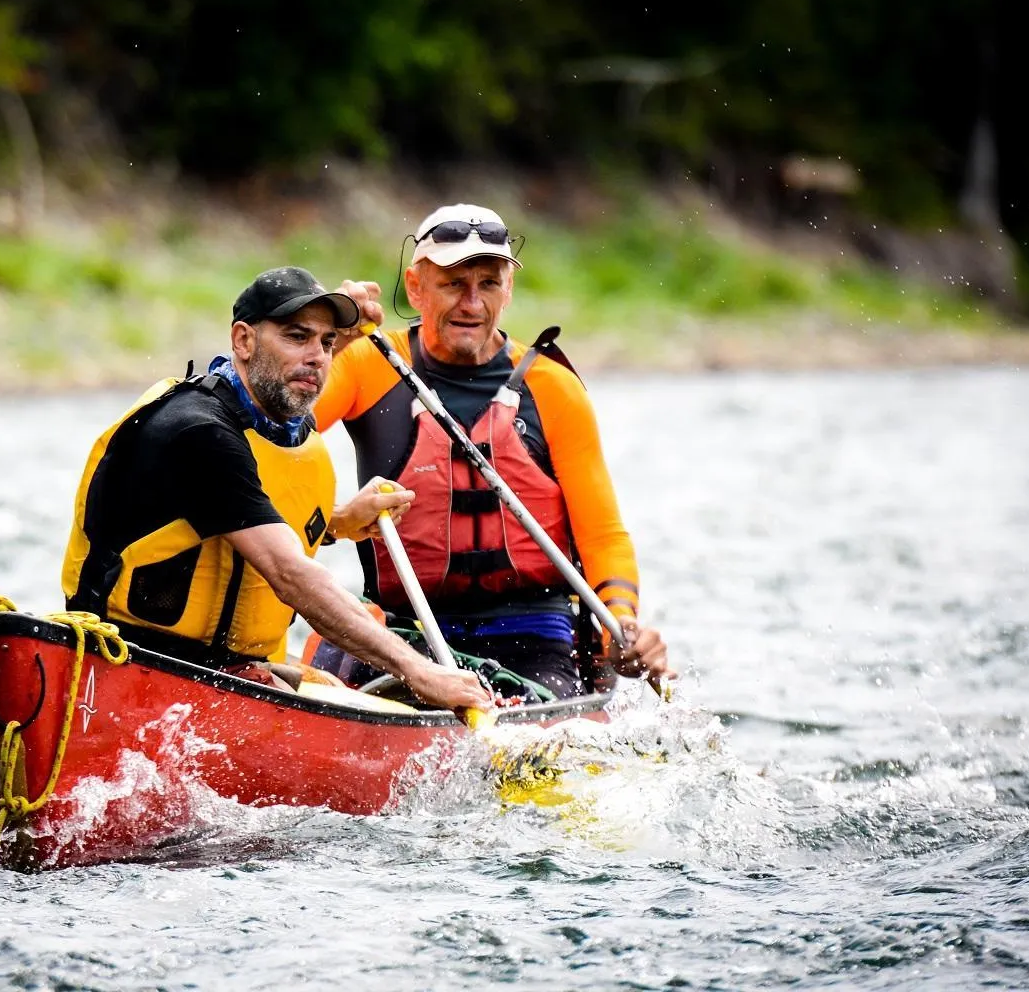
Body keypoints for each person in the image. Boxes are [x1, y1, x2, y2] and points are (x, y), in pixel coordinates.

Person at [60, 265, 491, 714]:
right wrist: (419, 671)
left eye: (327, 344)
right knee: (401, 687)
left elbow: (234, 516)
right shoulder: (197, 431)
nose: (319, 357)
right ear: (243, 341)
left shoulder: (277, 420)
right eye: (296, 336)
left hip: (226, 671)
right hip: (130, 666)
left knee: (361, 696)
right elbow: (289, 572)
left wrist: (338, 523)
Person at [312, 204, 672, 699]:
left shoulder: (553, 388)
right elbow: (270, 438)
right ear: (415, 287)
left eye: (489, 283)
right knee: (328, 673)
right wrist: (324, 342)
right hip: (403, 631)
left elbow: (603, 535)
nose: (472, 303)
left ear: (509, 290)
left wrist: (622, 628)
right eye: (454, 283)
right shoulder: (364, 365)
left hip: (531, 634)